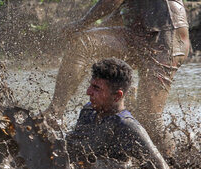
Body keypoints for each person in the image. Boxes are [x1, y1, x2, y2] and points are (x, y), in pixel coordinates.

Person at [45, 0, 190, 157]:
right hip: (138, 32)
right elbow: (121, 12)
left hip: (167, 37)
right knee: (84, 42)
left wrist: (82, 23)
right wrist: (92, 29)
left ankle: (172, 162)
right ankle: (55, 113)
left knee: (150, 118)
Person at [66, 58, 174, 169]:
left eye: (96, 88)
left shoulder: (127, 126)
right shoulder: (87, 111)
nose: (88, 92)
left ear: (117, 96)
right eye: (90, 85)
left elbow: (161, 165)